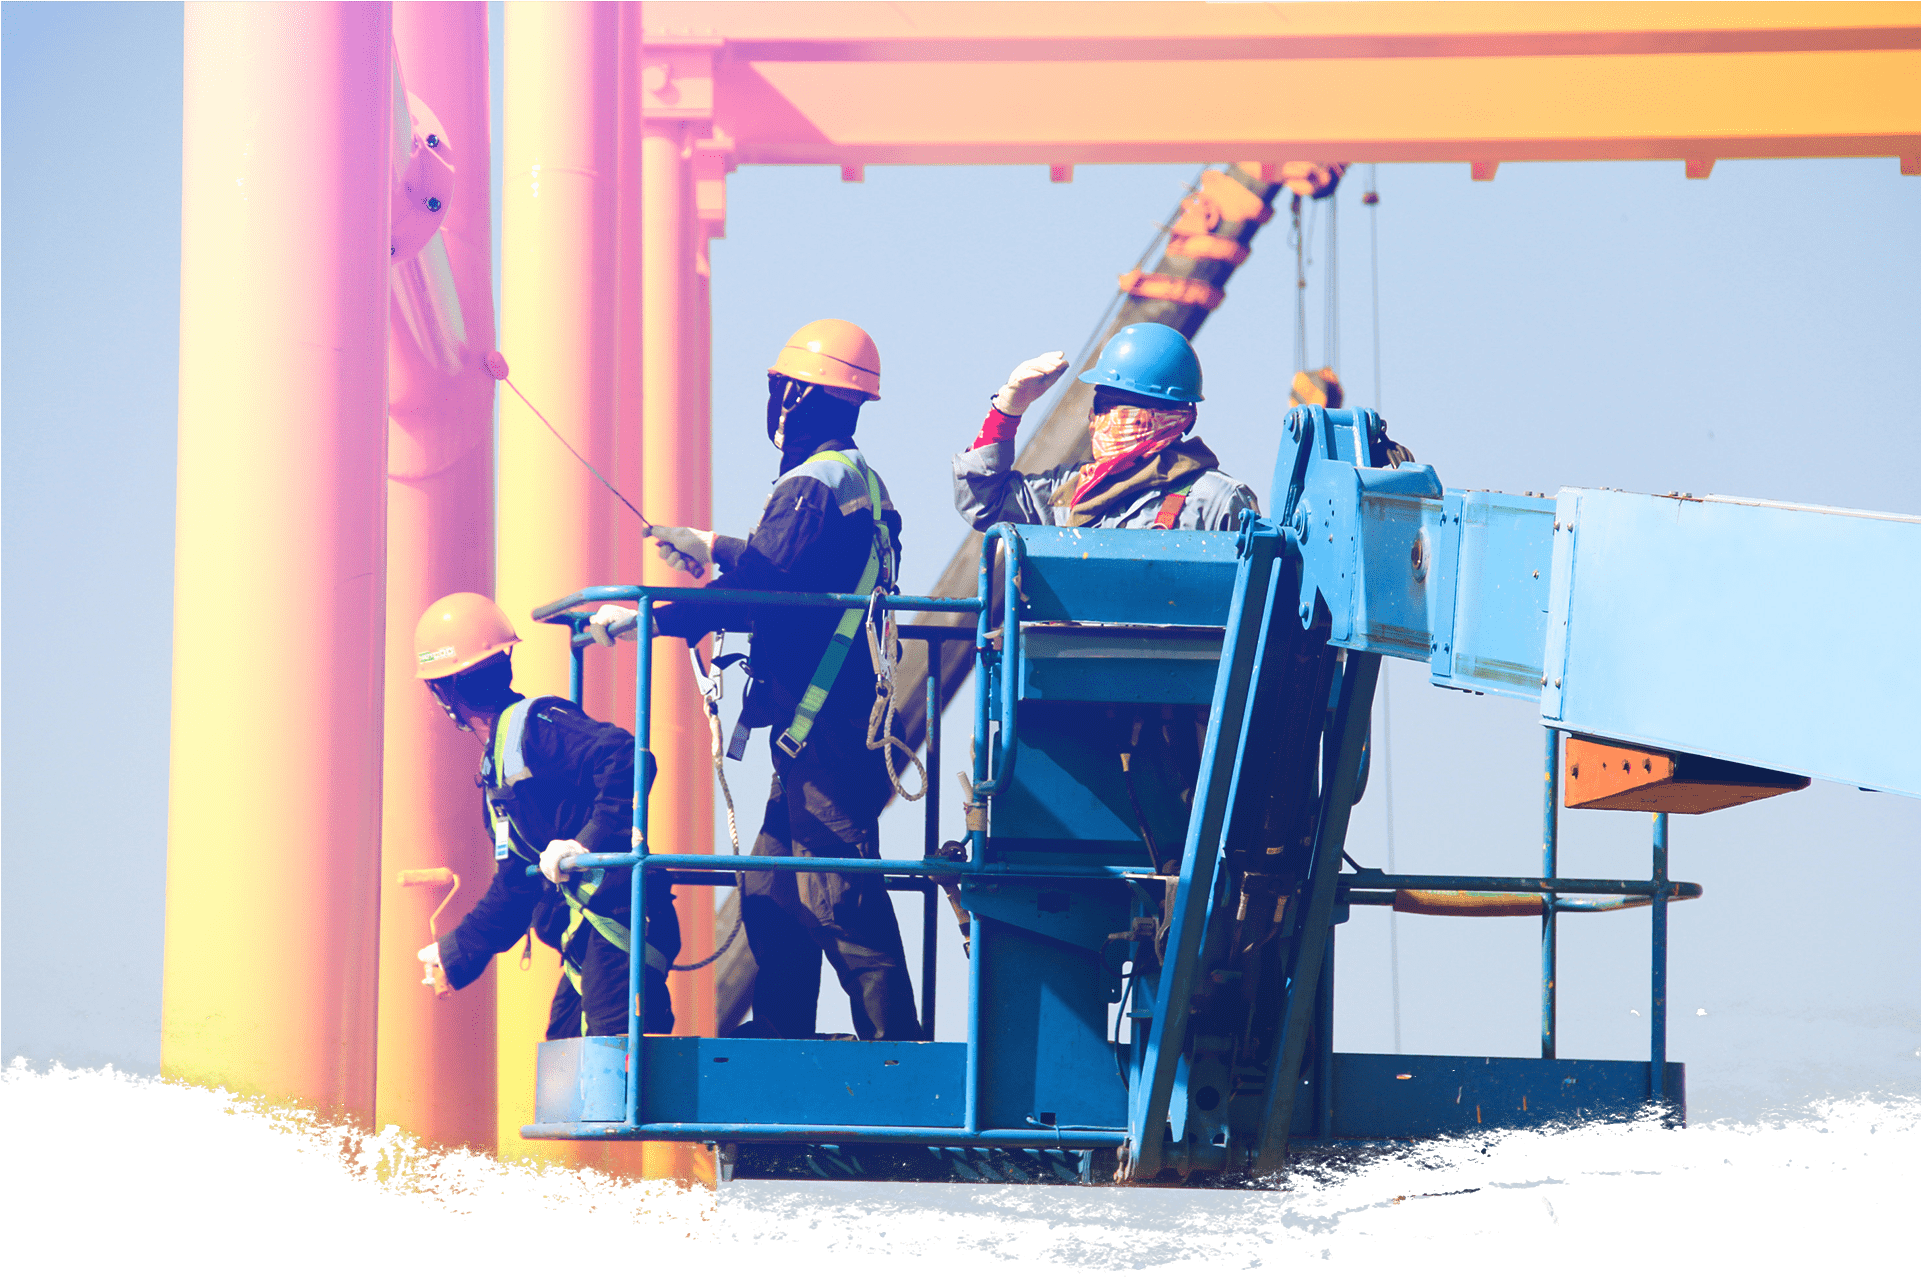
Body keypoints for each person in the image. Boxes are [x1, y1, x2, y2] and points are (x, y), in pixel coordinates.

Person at [591, 319, 921, 1042]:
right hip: (827, 726)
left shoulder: (809, 486)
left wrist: (651, 618)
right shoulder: (854, 481)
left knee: (838, 897)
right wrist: (712, 545)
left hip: (823, 728)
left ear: (794, 395)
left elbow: (761, 592)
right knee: (771, 890)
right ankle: (780, 1035)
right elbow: (794, 570)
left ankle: (897, 1049)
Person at [413, 592, 680, 1038]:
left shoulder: (538, 724)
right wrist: (455, 953)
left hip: (618, 921)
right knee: (565, 1052)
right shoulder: (500, 763)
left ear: (444, 692)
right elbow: (517, 884)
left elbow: (628, 758)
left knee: (611, 1060)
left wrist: (585, 844)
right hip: (588, 931)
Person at [953, 322, 1260, 532]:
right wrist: (1006, 412)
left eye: (1116, 406)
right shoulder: (1070, 492)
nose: (1100, 418)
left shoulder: (1216, 500)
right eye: (1100, 405)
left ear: (1171, 417)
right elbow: (984, 503)